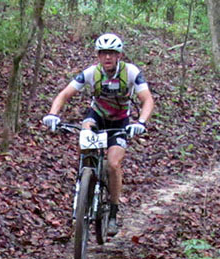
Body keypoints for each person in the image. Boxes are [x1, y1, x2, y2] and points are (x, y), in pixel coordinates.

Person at [42, 33, 155, 236]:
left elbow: (147, 99)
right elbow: (64, 94)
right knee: (86, 133)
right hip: (97, 117)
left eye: (112, 53)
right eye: (103, 53)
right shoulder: (91, 73)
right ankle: (85, 181)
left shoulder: (130, 72)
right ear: (98, 55)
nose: (108, 58)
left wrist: (141, 123)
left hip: (120, 121)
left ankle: (112, 212)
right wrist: (53, 114)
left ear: (119, 55)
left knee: (113, 164)